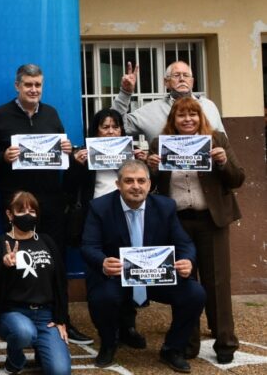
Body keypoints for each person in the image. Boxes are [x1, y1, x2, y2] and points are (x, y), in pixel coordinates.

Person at [0, 64, 90, 344]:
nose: (34, 90)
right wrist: (2, 156)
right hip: (15, 203)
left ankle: (62, 319)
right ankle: (12, 319)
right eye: (28, 85)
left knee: (55, 262)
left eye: (38, 85)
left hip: (51, 202)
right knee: (15, 259)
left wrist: (68, 150)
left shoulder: (51, 114)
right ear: (17, 86)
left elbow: (63, 155)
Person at [81, 159, 206, 372]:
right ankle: (109, 343)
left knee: (195, 294)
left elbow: (184, 243)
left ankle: (173, 348)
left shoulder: (165, 206)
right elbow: (89, 246)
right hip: (117, 276)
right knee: (102, 298)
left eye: (141, 181)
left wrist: (188, 260)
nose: (136, 186)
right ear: (118, 184)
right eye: (129, 181)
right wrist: (103, 262)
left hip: (156, 275)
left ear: (149, 184)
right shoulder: (100, 207)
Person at [148, 97, 245, 364]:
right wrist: (151, 168)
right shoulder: (160, 143)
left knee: (218, 283)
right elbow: (151, 184)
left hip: (211, 221)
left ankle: (225, 342)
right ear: (173, 119)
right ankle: (186, 343)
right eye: (181, 115)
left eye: (192, 114)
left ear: (200, 117)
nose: (187, 119)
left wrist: (223, 162)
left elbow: (238, 178)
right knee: (184, 282)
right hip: (176, 222)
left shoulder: (217, 139)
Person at [63, 108, 147, 349]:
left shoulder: (131, 154)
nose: (111, 131)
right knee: (98, 275)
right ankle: (107, 331)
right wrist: (76, 165)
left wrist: (142, 162)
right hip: (96, 219)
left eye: (115, 127)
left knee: (130, 270)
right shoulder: (84, 152)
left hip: (129, 216)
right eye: (105, 127)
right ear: (96, 131)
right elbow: (68, 188)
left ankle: (128, 326)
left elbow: (147, 184)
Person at [0, 191, 71, 375]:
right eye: (21, 211)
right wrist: (5, 266)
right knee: (24, 333)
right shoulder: (0, 243)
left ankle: (42, 350)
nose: (28, 215)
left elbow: (61, 283)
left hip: (46, 316)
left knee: (60, 371)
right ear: (10, 214)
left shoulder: (47, 241)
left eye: (32, 211)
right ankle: (15, 360)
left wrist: (61, 318)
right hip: (13, 313)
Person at [112, 60, 225, 140]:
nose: (182, 79)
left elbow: (224, 143)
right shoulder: (151, 110)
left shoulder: (208, 106)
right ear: (166, 82)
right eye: (176, 75)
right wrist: (125, 93)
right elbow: (116, 124)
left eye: (186, 75)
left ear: (192, 82)